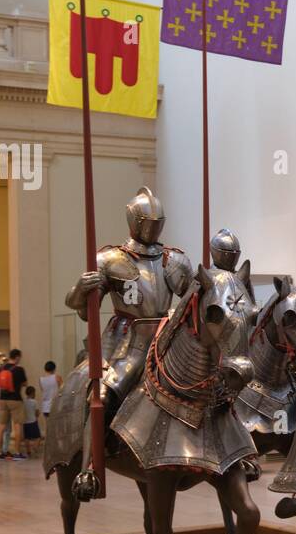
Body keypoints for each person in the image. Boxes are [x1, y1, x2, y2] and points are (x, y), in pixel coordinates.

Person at [65, 187, 193, 422]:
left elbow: (193, 304)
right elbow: (83, 312)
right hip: (125, 342)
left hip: (167, 339)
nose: (152, 228)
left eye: (157, 223)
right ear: (133, 220)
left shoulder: (175, 261)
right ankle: (94, 455)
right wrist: (80, 288)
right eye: (147, 222)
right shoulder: (110, 260)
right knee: (102, 397)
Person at [0, 348, 27, 460]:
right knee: (17, 426)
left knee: (1, 426)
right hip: (15, 399)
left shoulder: (1, 368)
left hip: (2, 399)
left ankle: (0, 452)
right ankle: (17, 452)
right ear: (17, 357)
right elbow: (25, 383)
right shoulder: (19, 369)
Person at [22, 385, 41, 456]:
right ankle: (35, 447)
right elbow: (37, 412)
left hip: (25, 422)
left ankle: (28, 451)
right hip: (33, 421)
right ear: (33, 393)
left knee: (27, 437)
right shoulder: (34, 402)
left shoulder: (23, 401)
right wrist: (37, 415)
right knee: (38, 437)